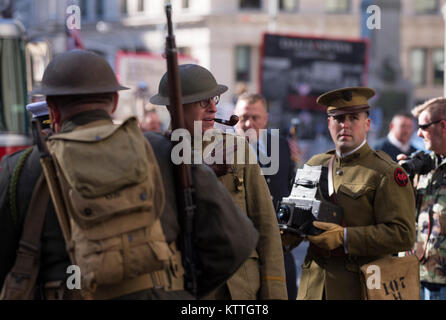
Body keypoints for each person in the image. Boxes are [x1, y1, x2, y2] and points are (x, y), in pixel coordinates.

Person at [0, 50, 258, 300]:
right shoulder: (164, 150)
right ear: (113, 101)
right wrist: (182, 290)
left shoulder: (19, 169)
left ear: (52, 110)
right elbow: (237, 240)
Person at [150, 64, 288, 300]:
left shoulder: (236, 149)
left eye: (214, 99)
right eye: (202, 101)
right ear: (174, 106)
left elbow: (266, 227)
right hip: (184, 289)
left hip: (240, 290)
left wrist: (274, 292)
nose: (213, 107)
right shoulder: (154, 156)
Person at [283, 86, 416, 300]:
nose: (345, 124)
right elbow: (296, 221)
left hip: (358, 287)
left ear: (367, 124)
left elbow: (403, 234)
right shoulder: (314, 164)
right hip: (313, 287)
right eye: (338, 118)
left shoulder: (386, 172)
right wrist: (287, 232)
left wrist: (344, 237)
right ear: (329, 124)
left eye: (353, 118)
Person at [233, 92, 297, 300]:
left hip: (278, 250)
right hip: (240, 254)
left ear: (266, 119)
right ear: (235, 117)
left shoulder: (281, 146)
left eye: (255, 117)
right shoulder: (221, 150)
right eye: (243, 117)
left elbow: (289, 189)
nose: (249, 123)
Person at [401, 97, 446, 300]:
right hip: (415, 275)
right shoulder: (423, 166)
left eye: (423, 126)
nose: (418, 133)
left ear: (443, 126)